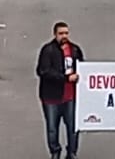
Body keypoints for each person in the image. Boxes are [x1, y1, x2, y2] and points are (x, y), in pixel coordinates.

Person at [36, 21, 84, 159]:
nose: (64, 36)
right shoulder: (48, 50)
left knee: (73, 127)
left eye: (66, 33)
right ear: (55, 34)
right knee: (52, 128)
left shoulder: (75, 50)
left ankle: (72, 152)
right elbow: (43, 71)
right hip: (51, 97)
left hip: (70, 97)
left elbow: (83, 68)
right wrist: (65, 78)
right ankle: (55, 152)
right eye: (61, 33)